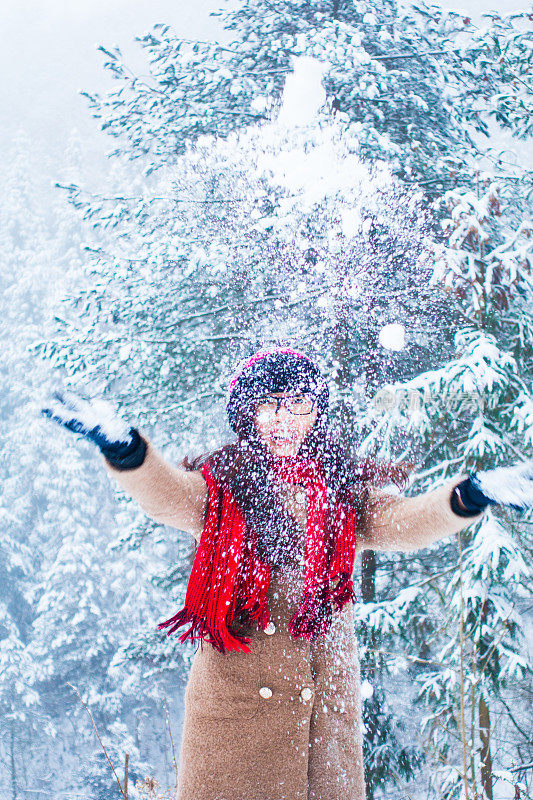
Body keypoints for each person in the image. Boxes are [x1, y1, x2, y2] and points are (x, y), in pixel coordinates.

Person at [41, 347, 533, 800]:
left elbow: (402, 523)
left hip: (325, 739)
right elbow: (168, 496)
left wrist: (467, 496)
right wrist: (128, 453)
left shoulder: (342, 488)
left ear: (316, 412)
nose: (285, 417)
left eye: (298, 402)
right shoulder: (223, 487)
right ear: (247, 414)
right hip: (236, 736)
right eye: (270, 403)